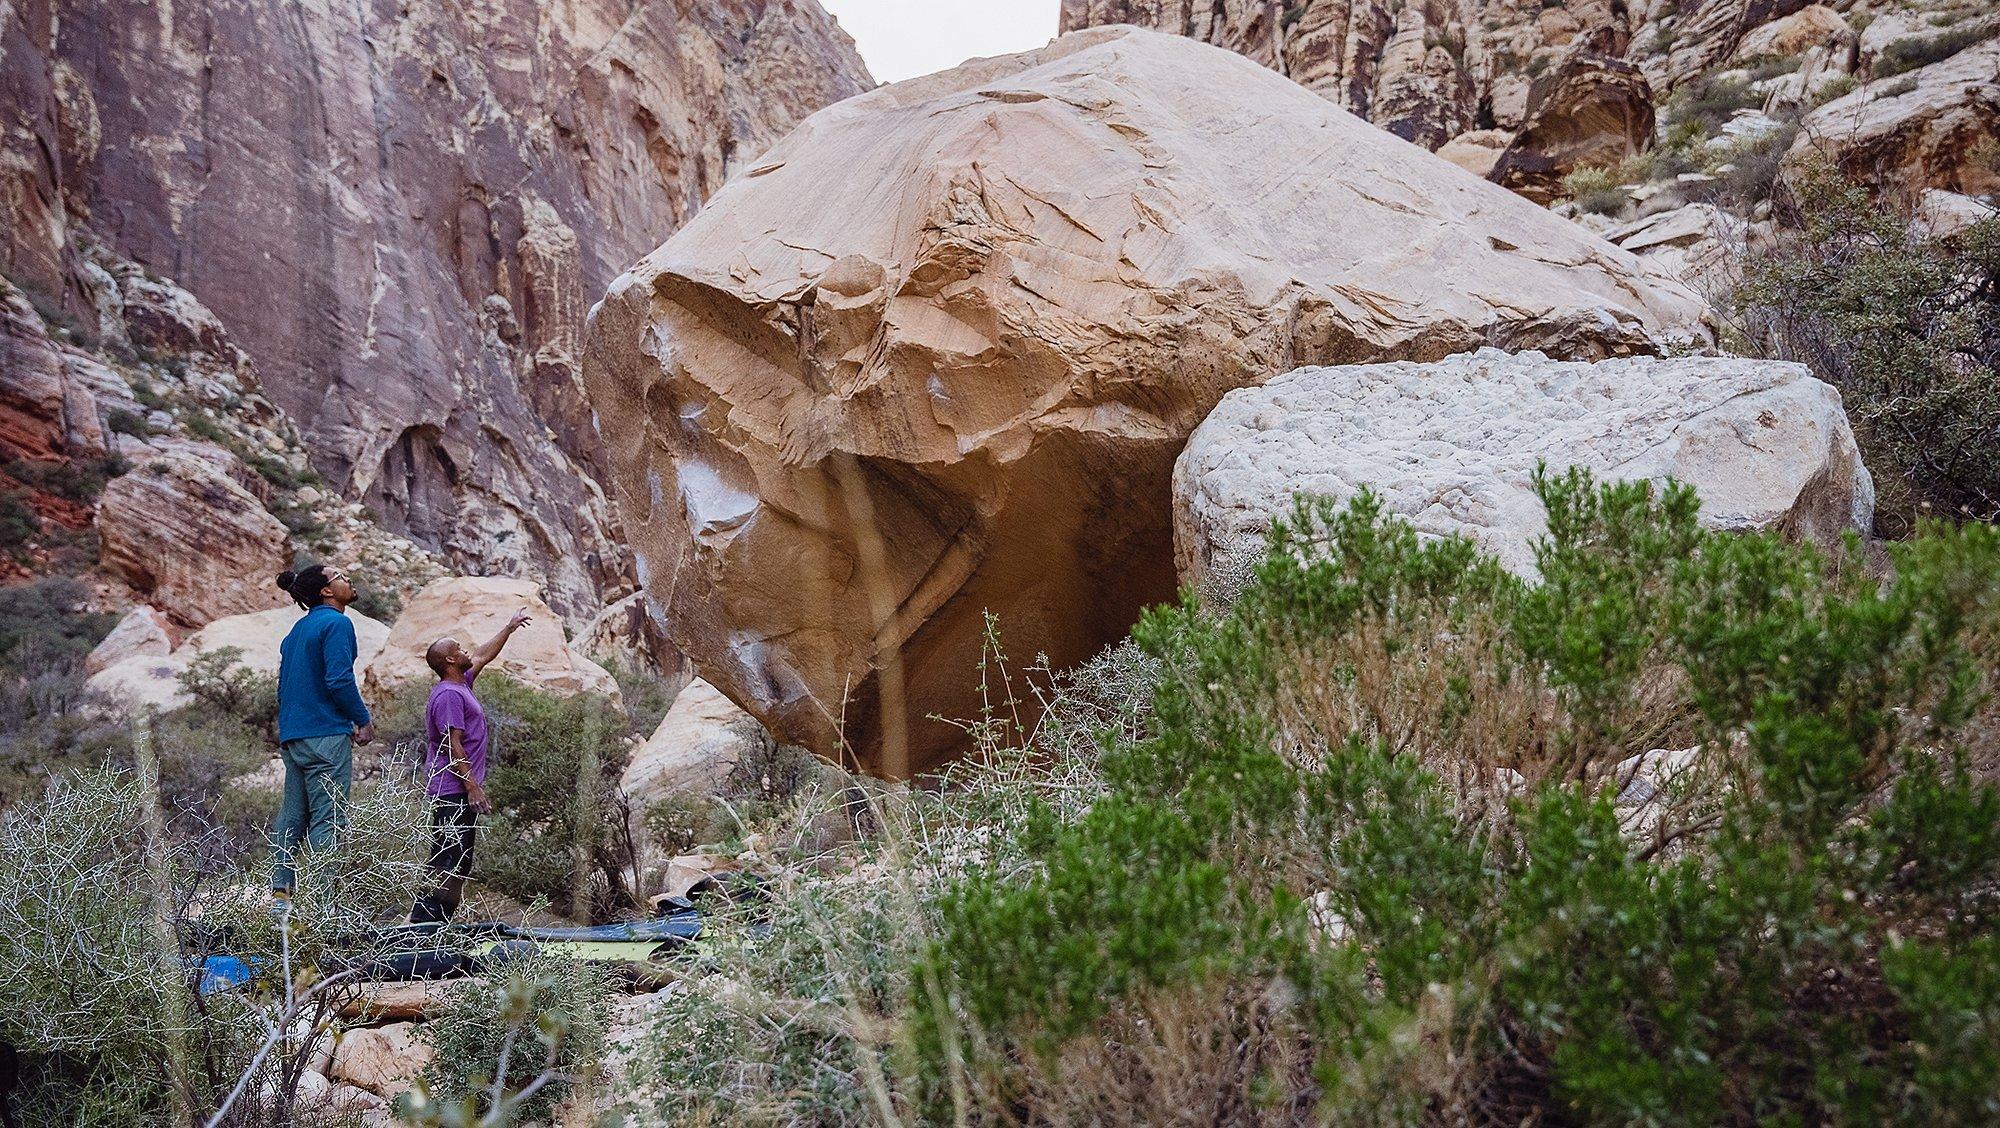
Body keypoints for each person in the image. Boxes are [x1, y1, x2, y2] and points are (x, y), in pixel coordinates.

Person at [409, 607, 532, 924]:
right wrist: (472, 787)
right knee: (451, 859)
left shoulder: (461, 682)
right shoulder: (449, 694)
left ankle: (429, 922)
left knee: (452, 858)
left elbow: (481, 655)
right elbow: (453, 744)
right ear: (449, 660)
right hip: (452, 790)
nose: (466, 651)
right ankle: (429, 926)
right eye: (458, 649)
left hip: (454, 789)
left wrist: (509, 626)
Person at [270, 564, 375, 904]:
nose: (348, 579)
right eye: (341, 577)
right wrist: (362, 718)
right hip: (326, 735)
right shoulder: (338, 623)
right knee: (328, 819)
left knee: (292, 815)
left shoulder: (296, 631)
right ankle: (322, 907)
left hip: (293, 736)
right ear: (327, 591)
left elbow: (283, 684)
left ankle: (281, 891)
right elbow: (339, 679)